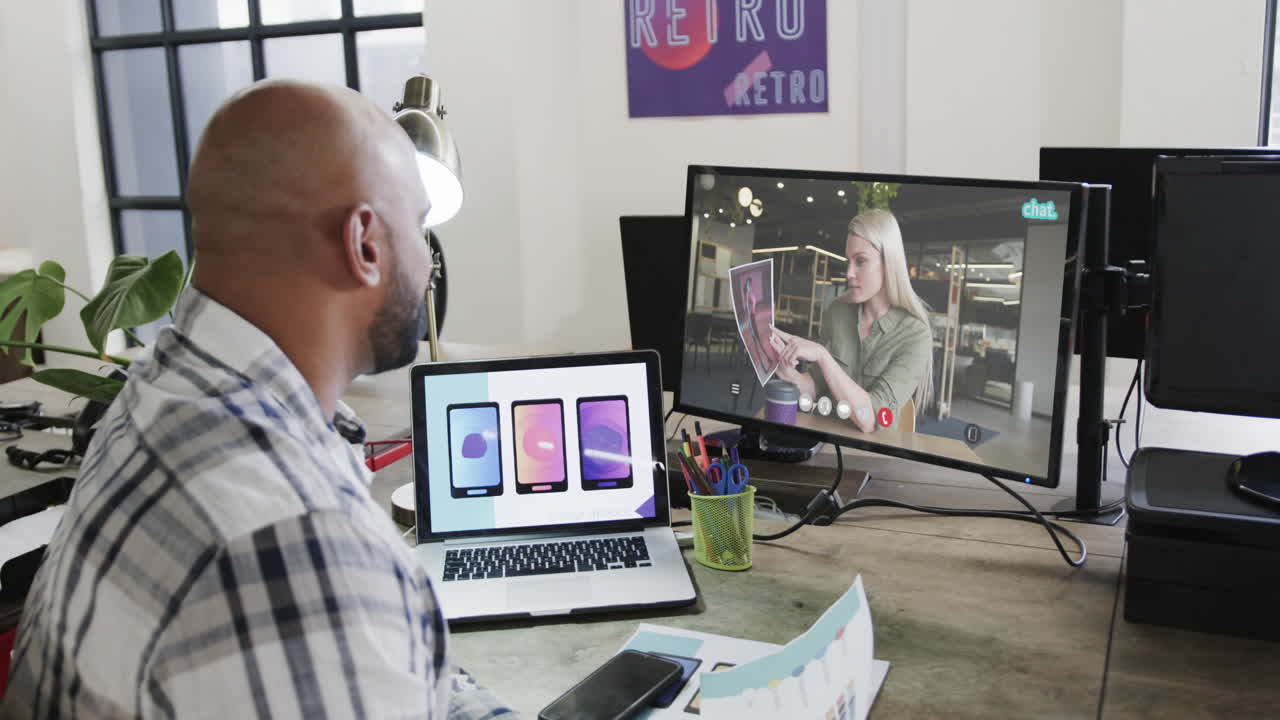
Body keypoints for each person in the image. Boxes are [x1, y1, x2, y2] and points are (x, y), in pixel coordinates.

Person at [1, 80, 516, 719]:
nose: (429, 263)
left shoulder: (159, 394)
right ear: (363, 243)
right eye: (416, 225)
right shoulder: (296, 541)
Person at [770, 209, 933, 433]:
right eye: (848, 261)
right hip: (822, 442)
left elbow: (871, 419)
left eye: (861, 261)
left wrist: (822, 355)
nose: (848, 273)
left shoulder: (915, 334)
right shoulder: (837, 312)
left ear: (888, 262)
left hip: (871, 456)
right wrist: (791, 375)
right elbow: (814, 388)